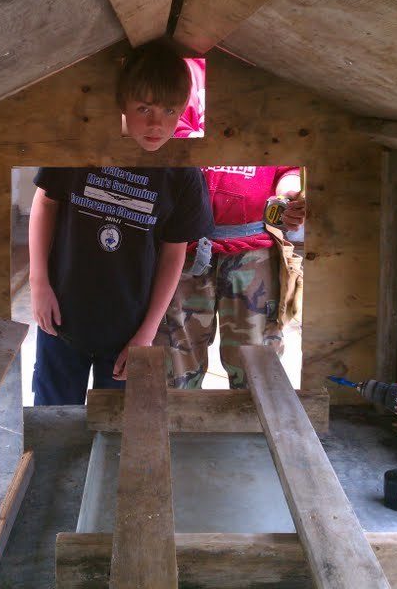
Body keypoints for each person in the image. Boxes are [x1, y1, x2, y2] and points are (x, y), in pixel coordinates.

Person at [29, 43, 214, 405]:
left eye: (169, 110)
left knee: (115, 424)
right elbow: (45, 201)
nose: (156, 123)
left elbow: (173, 253)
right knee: (51, 415)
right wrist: (38, 282)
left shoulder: (183, 175)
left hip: (127, 328)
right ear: (122, 104)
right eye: (144, 108)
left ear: (183, 111)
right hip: (61, 315)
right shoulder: (83, 147)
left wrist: (147, 332)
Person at [154, 166, 306, 389]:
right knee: (175, 353)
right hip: (181, 249)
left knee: (257, 355)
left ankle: (252, 412)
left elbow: (287, 168)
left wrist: (289, 195)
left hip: (252, 250)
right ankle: (178, 411)